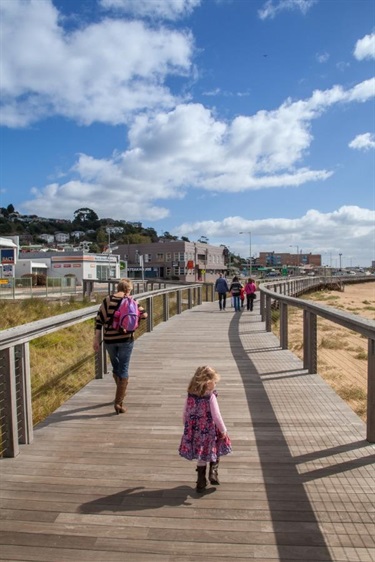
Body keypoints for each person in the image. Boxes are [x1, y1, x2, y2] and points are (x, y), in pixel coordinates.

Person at [93, 278, 148, 415]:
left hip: (109, 339)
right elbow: (145, 314)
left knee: (116, 367)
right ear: (129, 289)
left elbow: (99, 320)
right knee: (123, 368)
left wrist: (95, 339)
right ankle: (118, 402)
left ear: (118, 287)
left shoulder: (107, 300)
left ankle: (120, 392)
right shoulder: (132, 300)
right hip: (126, 338)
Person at [178, 366, 232, 493]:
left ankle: (201, 481)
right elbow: (216, 415)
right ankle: (213, 472)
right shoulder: (210, 397)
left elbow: (185, 412)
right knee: (217, 446)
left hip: (195, 431)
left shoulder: (190, 395)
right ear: (208, 382)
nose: (215, 384)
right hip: (209, 430)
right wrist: (223, 430)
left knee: (201, 455)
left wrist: (186, 425)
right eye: (215, 382)